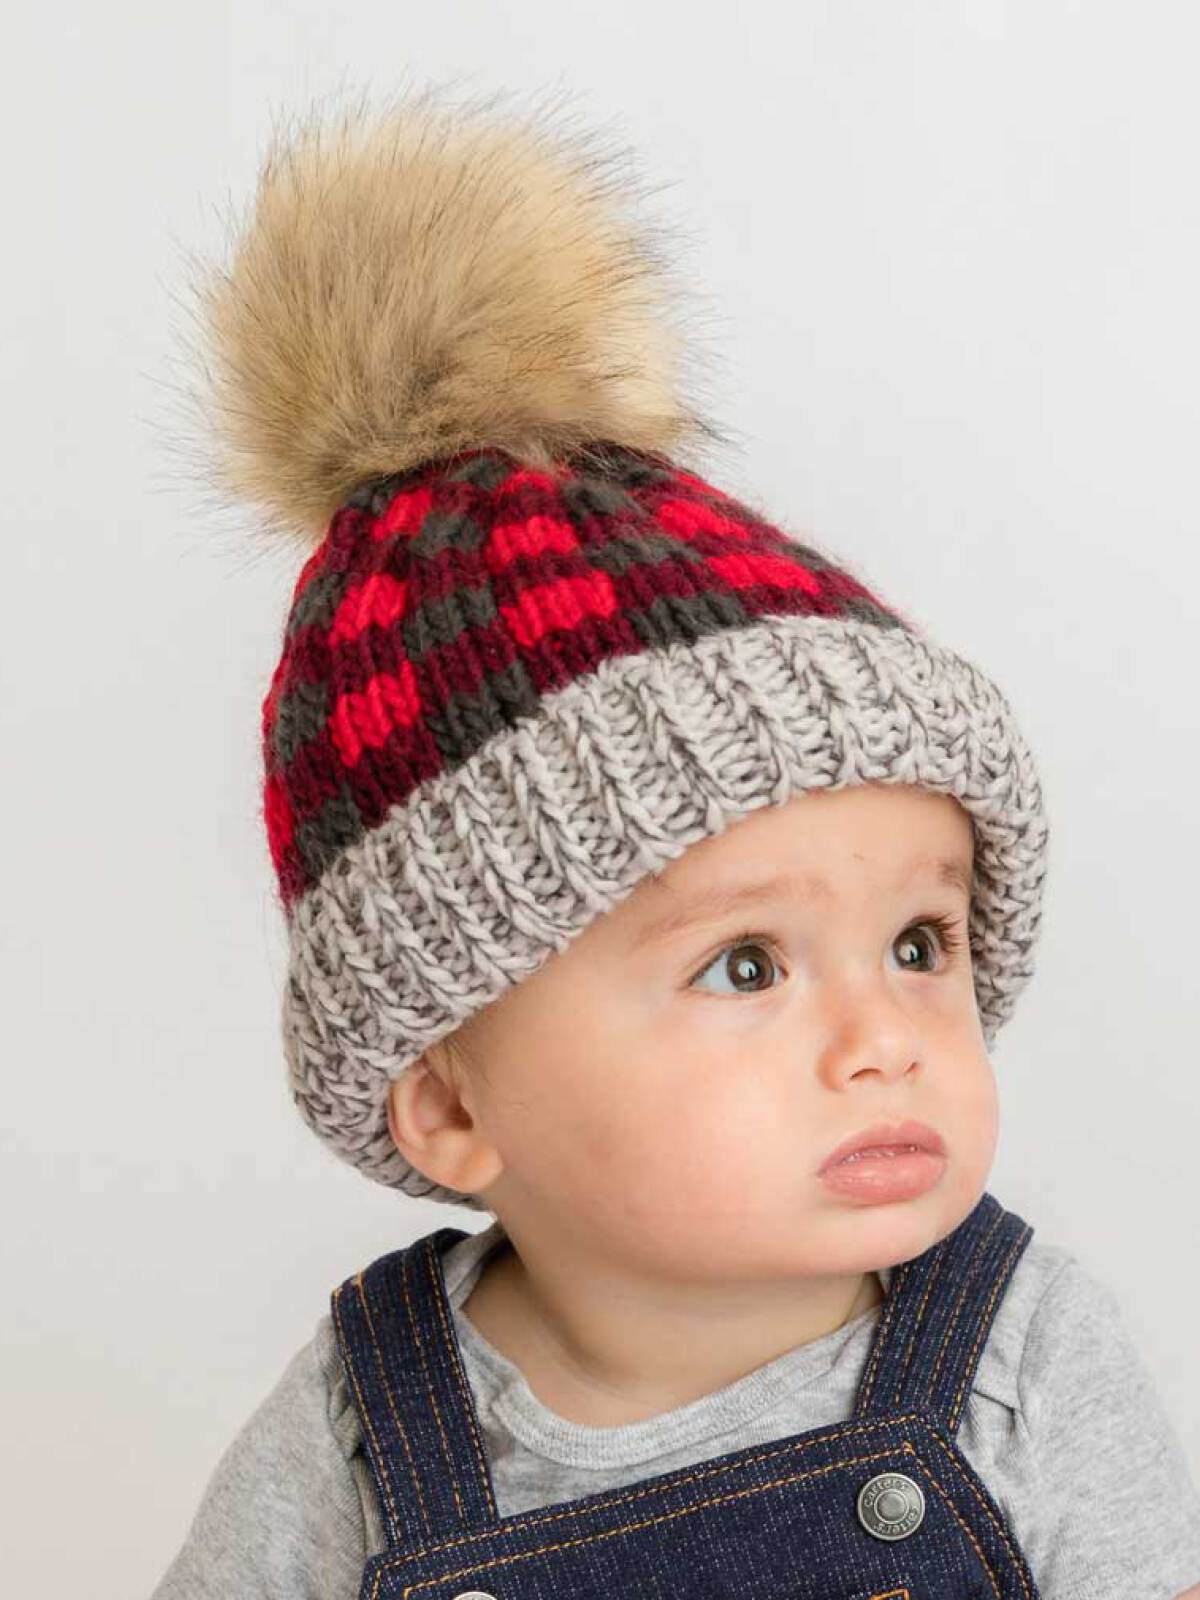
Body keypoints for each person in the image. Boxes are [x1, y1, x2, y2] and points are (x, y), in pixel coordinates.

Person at [151, 82, 1200, 1598]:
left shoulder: (1020, 1355)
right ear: (447, 1100)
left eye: (921, 943)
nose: (882, 1041)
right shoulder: (363, 1439)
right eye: (748, 964)